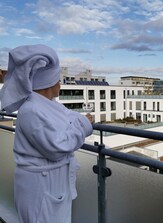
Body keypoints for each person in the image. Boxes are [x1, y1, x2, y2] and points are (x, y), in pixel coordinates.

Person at [0, 44, 94, 223]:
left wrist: (79, 123)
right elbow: (57, 147)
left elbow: (70, 118)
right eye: (58, 80)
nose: (60, 84)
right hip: (40, 186)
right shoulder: (31, 110)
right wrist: (82, 125)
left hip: (52, 183)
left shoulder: (50, 106)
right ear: (49, 84)